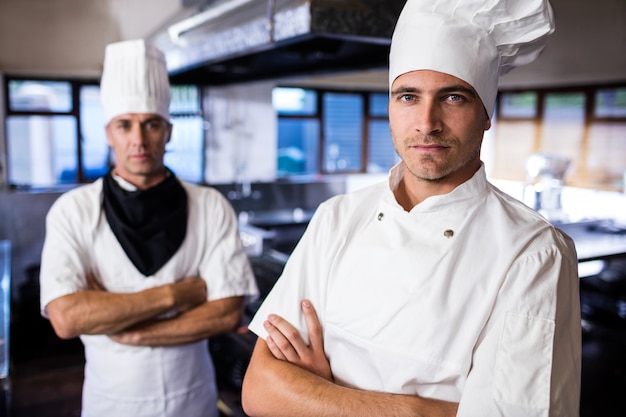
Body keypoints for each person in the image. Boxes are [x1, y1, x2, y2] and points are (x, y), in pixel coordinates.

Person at [241, 0, 581, 416]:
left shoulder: (534, 253)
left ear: (486, 114)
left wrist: (319, 393)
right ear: (390, 108)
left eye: (453, 97)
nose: (426, 122)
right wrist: (424, 410)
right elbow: (259, 391)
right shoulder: (337, 218)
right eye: (408, 96)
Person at [39, 39, 258, 417]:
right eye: (125, 126)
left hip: (192, 399)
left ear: (169, 131)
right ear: (109, 132)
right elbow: (67, 316)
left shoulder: (210, 206)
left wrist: (130, 329)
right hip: (111, 403)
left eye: (151, 124)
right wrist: (176, 295)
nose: (138, 140)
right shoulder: (73, 211)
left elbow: (226, 313)